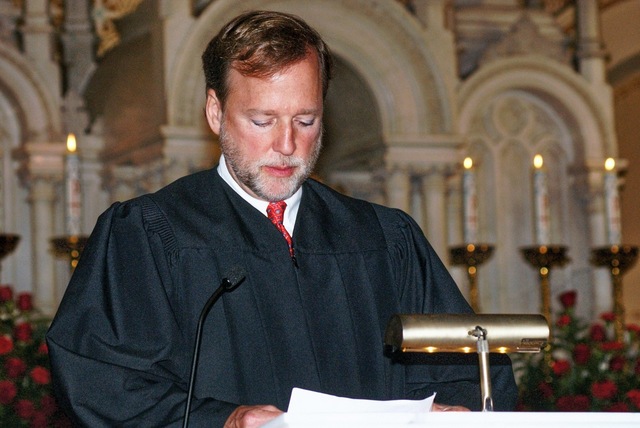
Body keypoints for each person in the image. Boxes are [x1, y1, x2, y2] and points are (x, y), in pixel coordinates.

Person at [46, 10, 517, 428]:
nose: (287, 145)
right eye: (263, 120)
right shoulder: (152, 234)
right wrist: (222, 419)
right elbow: (101, 382)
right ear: (216, 112)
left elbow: (470, 367)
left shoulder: (382, 238)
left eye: (305, 120)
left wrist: (448, 413)